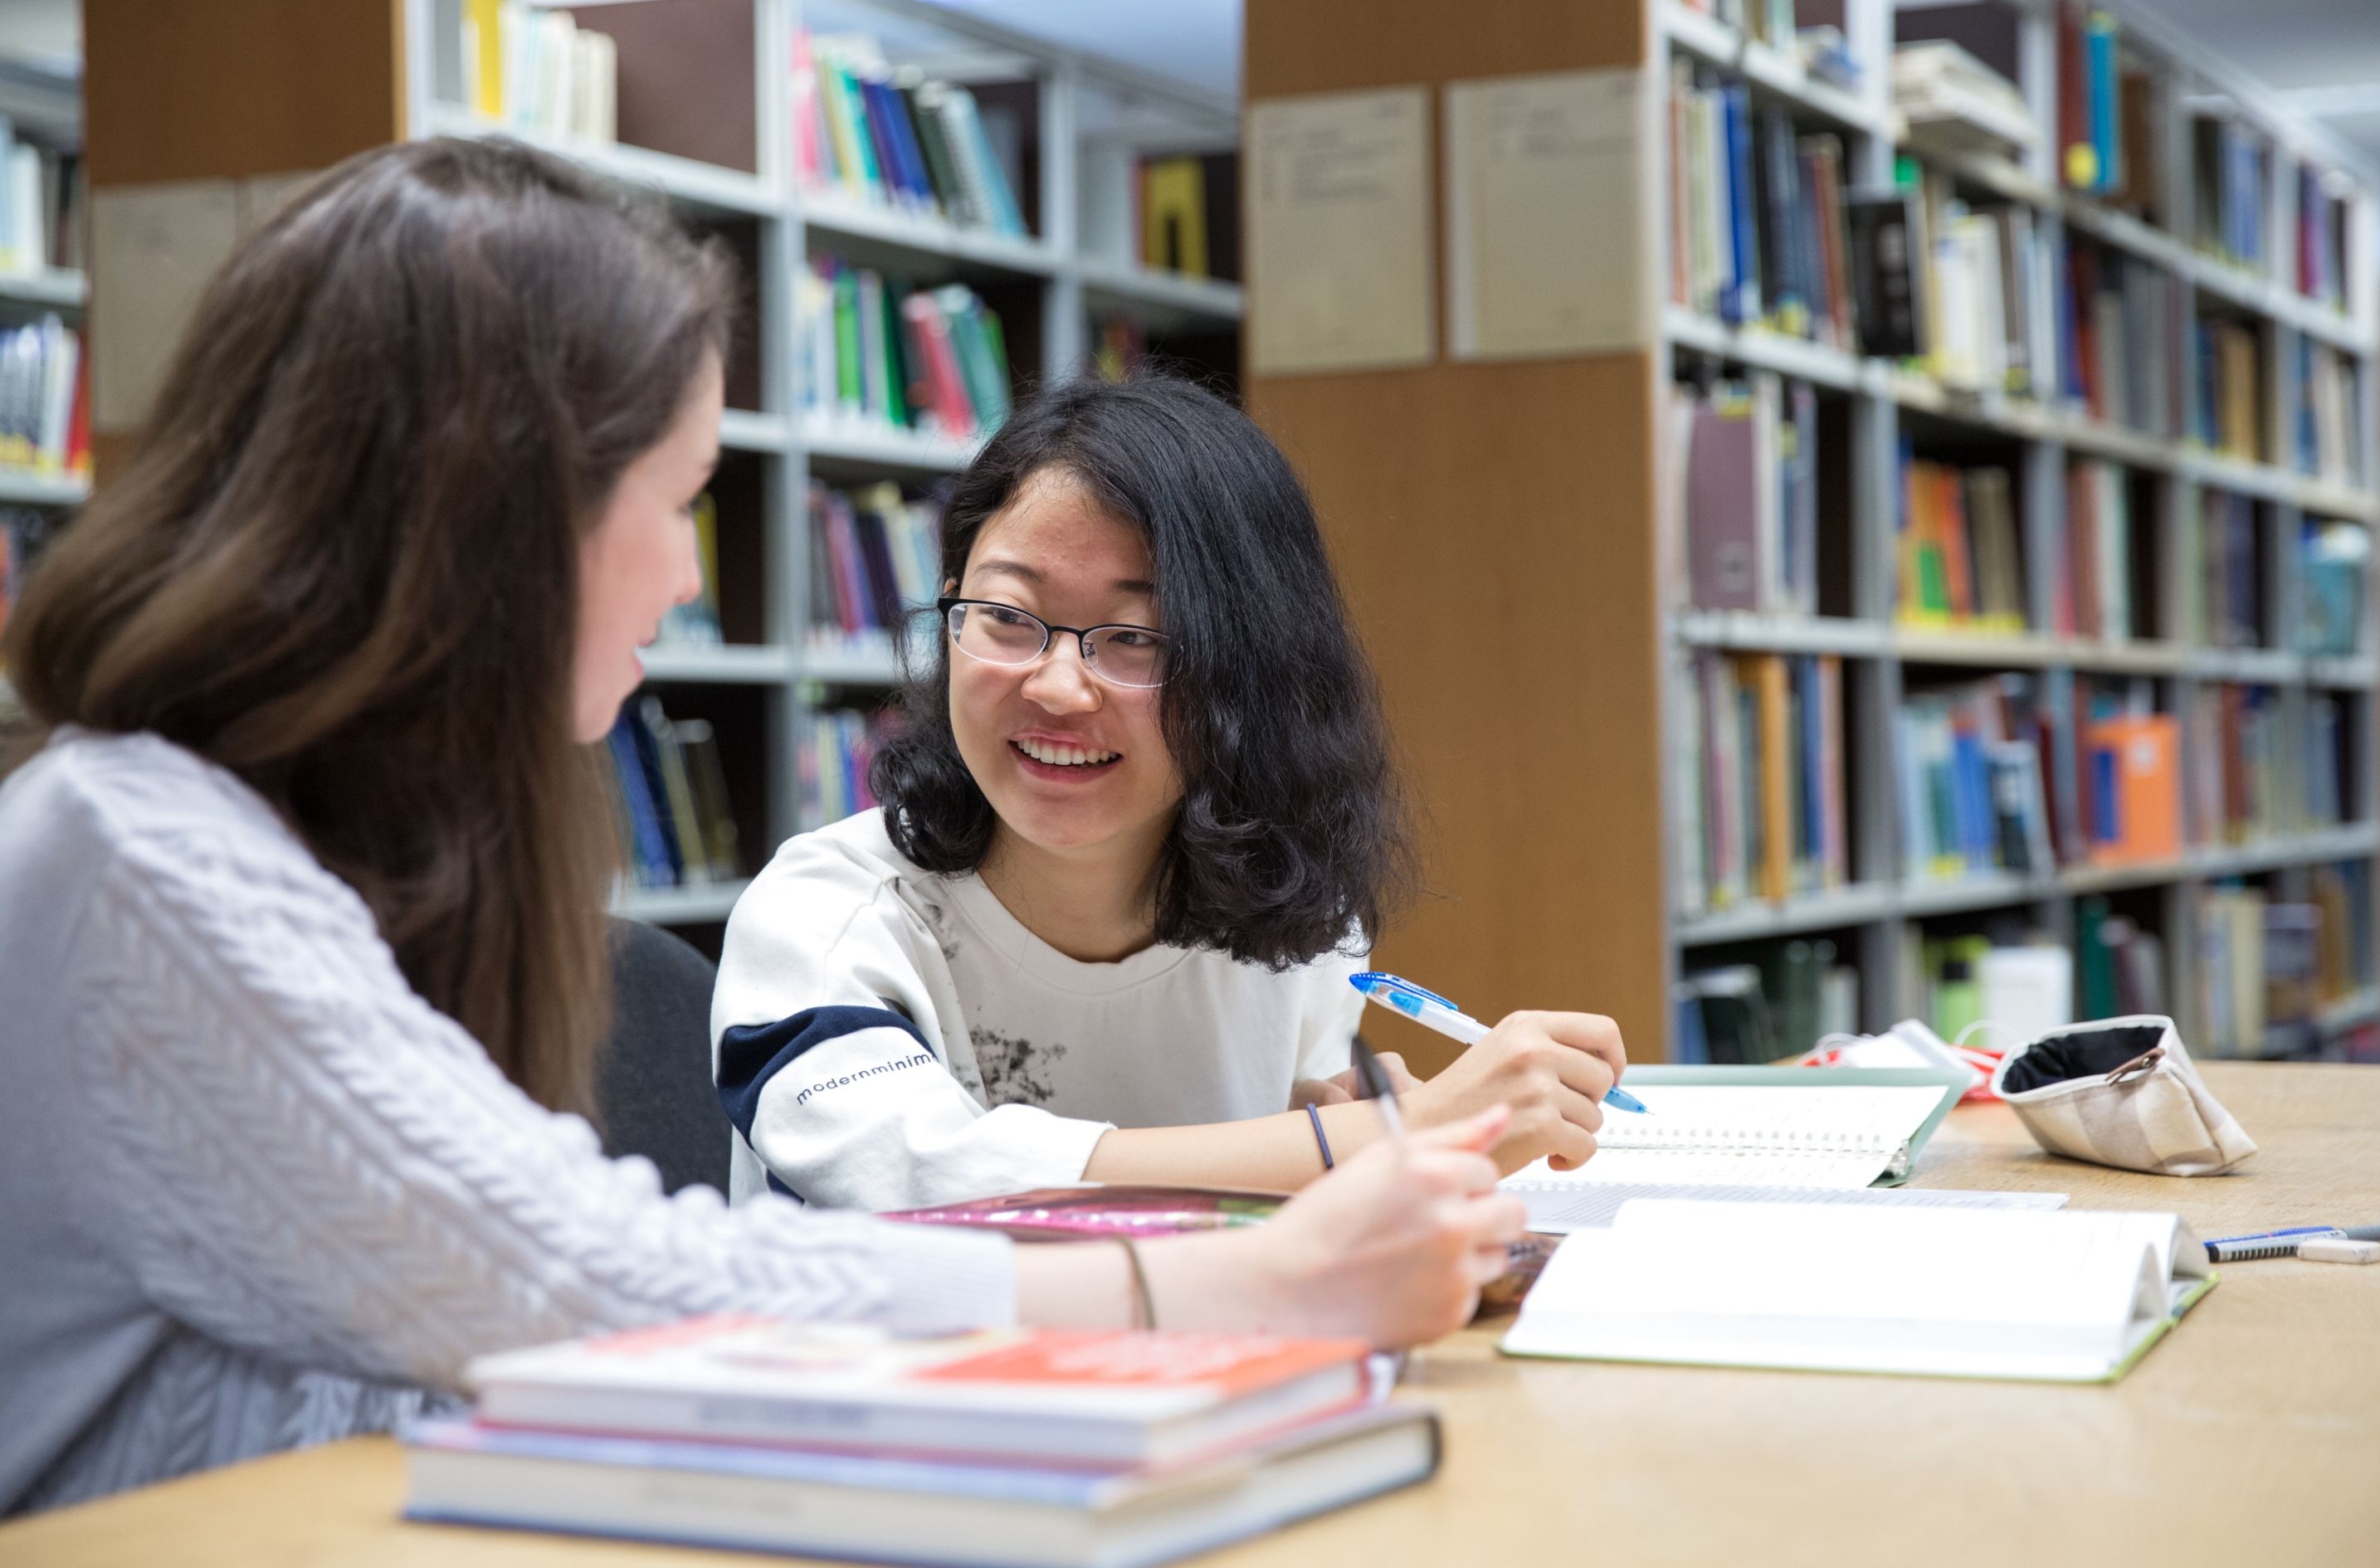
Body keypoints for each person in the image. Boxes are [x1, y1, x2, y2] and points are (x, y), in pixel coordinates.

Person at [0, 137, 1524, 1517]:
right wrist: (1249, 1282)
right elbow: (597, 1285)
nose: (683, 579)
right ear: (503, 520)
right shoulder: (144, 863)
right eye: (677, 502)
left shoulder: (325, 850)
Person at [712, 375, 1631, 1214]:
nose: (1060, 687)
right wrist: (1381, 1140)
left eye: (1136, 638)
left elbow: (1276, 1232)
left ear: (1251, 671)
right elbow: (924, 1184)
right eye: (1005, 616)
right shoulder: (823, 917)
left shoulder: (1301, 927)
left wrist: (1335, 1141)